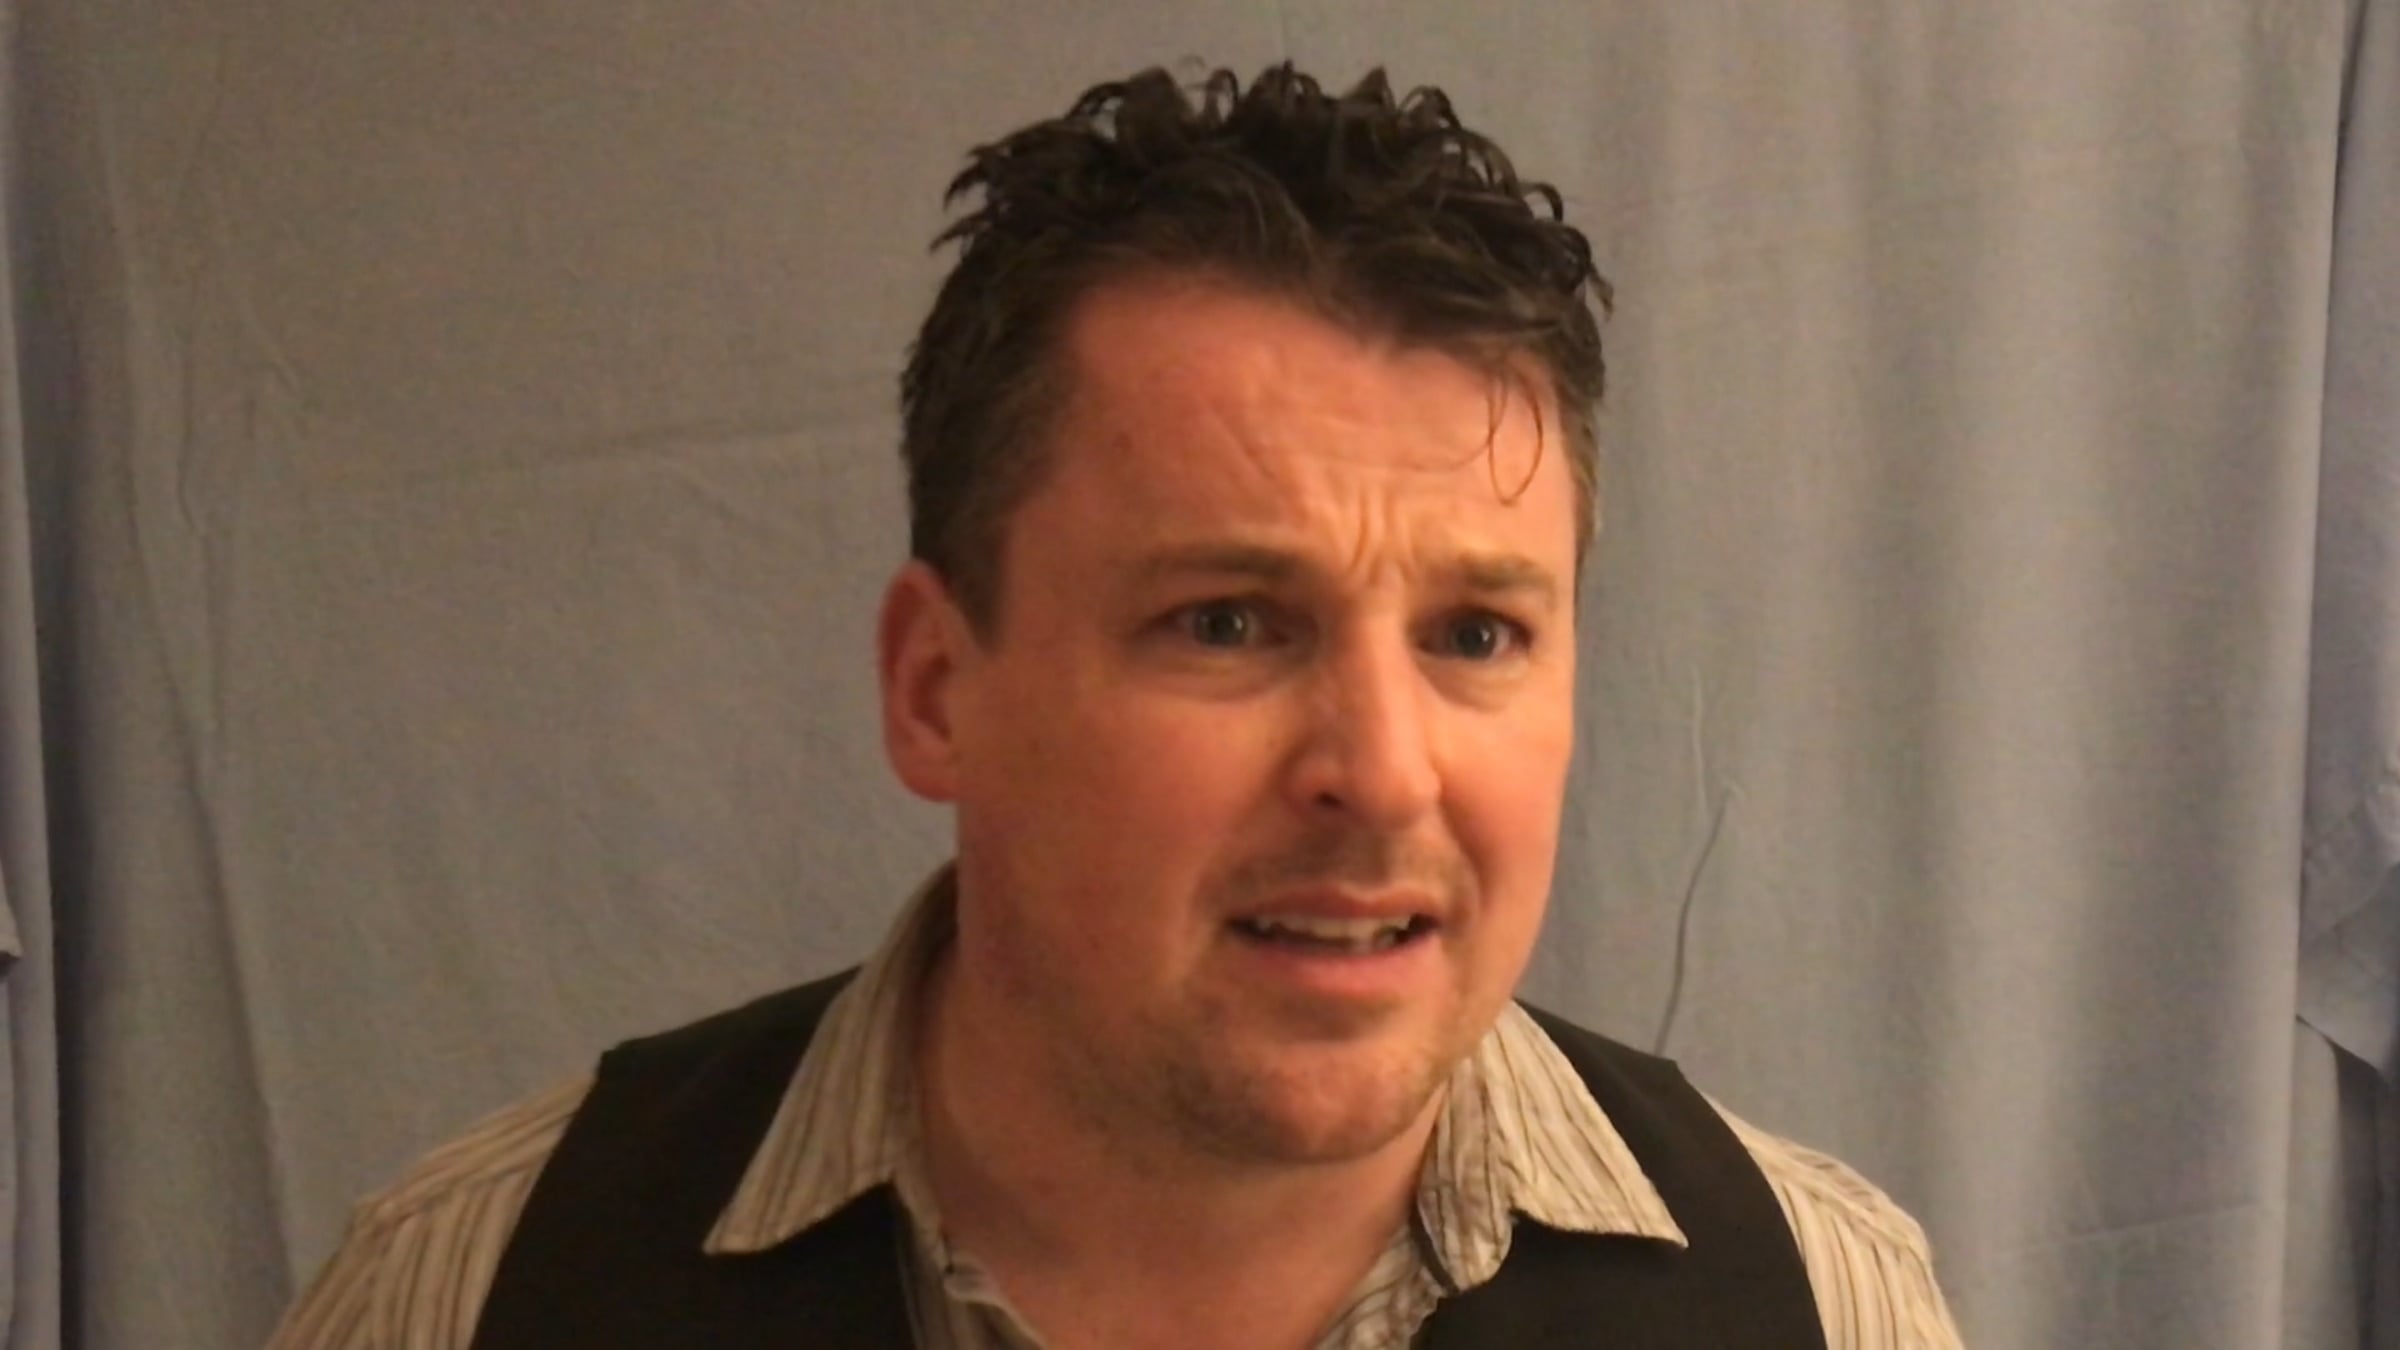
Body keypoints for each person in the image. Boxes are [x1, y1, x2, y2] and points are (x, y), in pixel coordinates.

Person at [270, 63, 1963, 1349]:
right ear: (937, 688)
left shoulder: (1832, 1307)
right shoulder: (466, 1295)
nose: (1384, 775)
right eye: (1227, 622)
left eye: (1476, 633)